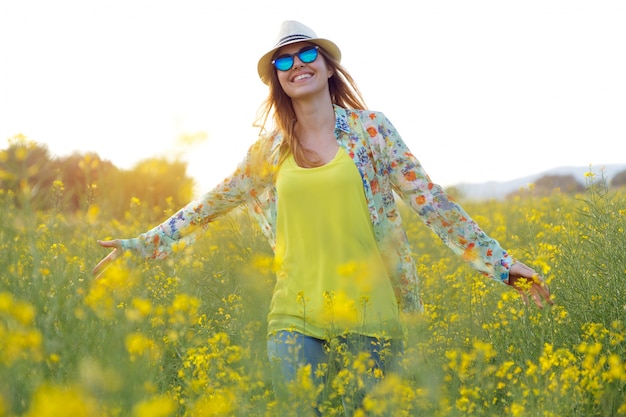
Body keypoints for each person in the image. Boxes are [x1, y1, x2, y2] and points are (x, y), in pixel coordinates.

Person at [94, 20, 553, 416]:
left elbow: (432, 204)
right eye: (284, 61)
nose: (298, 65)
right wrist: (140, 246)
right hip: (293, 314)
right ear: (277, 78)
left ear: (328, 66)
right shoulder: (268, 152)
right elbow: (208, 205)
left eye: (307, 52)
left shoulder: (371, 130)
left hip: (371, 312)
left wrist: (504, 267)